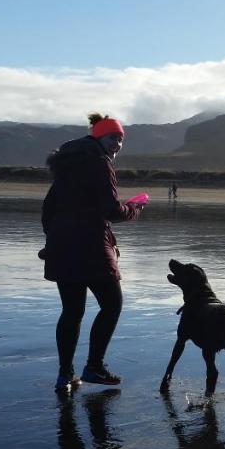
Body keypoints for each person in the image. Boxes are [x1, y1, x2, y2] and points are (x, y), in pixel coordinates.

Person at [41, 113, 146, 392]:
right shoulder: (100, 164)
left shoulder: (66, 165)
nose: (118, 144)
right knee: (112, 305)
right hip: (92, 248)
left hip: (62, 248)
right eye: (114, 137)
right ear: (99, 137)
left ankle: (65, 375)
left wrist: (53, 240)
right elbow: (111, 210)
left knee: (72, 311)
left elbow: (48, 208)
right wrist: (134, 209)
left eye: (121, 139)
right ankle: (94, 367)